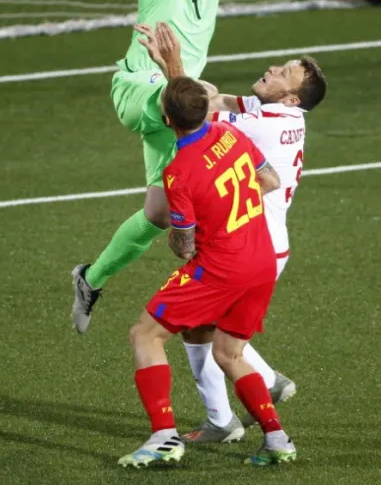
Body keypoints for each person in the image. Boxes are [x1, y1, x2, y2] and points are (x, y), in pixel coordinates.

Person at [70, 0, 295, 334]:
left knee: (156, 213)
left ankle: (90, 280)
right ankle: (234, 120)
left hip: (175, 106)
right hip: (140, 89)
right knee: (203, 100)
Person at [135, 21, 328, 443]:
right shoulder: (280, 112)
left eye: (285, 73)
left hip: (245, 246)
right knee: (204, 331)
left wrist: (173, 64)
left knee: (198, 336)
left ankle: (226, 416)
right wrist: (183, 73)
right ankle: (256, 397)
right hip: (263, 245)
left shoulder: (263, 126)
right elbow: (212, 97)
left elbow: (192, 113)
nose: (274, 68)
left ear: (293, 96)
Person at [119, 77, 297, 468]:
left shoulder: (179, 171)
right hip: (261, 260)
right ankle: (276, 438)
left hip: (221, 269)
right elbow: (269, 180)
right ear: (204, 110)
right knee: (229, 353)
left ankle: (164, 435)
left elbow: (183, 245)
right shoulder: (227, 133)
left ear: (167, 120)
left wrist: (195, 226)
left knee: (145, 335)